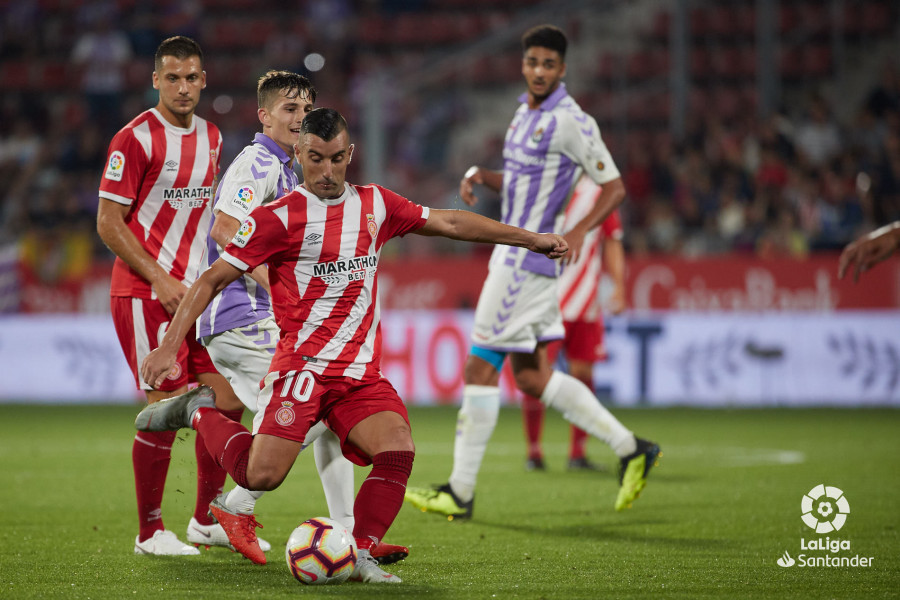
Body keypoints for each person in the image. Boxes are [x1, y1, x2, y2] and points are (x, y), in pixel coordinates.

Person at [133, 108, 568, 583]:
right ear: (299, 154)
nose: (326, 171)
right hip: (301, 369)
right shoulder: (277, 218)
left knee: (397, 449)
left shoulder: (375, 204)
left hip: (357, 374)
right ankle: (198, 408)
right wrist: (169, 346)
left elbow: (450, 223)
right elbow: (211, 279)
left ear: (350, 155)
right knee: (262, 476)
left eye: (337, 159)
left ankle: (360, 553)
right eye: (315, 159)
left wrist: (529, 240)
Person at [404, 25, 659, 520]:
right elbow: (524, 183)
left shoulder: (571, 121)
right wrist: (484, 176)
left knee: (480, 368)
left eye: (549, 64)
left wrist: (583, 230)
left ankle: (459, 491)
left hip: (525, 260)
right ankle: (632, 447)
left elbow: (615, 187)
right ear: (523, 65)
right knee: (531, 376)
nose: (539, 71)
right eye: (532, 62)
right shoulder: (524, 113)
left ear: (562, 69)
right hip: (518, 256)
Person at [184, 69, 406, 565]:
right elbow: (224, 229)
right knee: (309, 409)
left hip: (263, 318)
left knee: (326, 409)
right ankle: (233, 505)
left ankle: (348, 538)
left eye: (306, 110)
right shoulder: (258, 163)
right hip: (239, 316)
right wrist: (280, 288)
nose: (300, 118)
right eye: (289, 109)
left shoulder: (289, 169)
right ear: (264, 116)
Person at [96, 36, 249, 557]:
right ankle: (149, 534)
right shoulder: (134, 139)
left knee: (229, 403)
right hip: (143, 293)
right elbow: (108, 222)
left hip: (195, 298)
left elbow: (206, 219)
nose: (183, 87)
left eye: (192, 77)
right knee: (166, 411)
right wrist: (159, 277)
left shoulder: (211, 136)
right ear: (155, 80)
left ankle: (206, 519)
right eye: (172, 77)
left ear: (204, 81)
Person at [521, 177, 627, 472]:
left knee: (583, 374)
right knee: (536, 374)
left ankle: (577, 453)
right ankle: (534, 451)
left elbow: (613, 241)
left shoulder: (599, 194)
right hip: (546, 300)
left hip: (585, 302)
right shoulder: (546, 184)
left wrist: (619, 286)